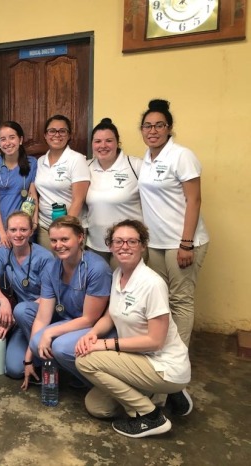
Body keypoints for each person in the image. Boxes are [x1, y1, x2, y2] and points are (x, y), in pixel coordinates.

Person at [75, 219, 192, 439]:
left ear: (143, 245)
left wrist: (106, 344)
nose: (124, 246)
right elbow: (111, 315)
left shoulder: (152, 284)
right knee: (98, 407)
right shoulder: (118, 274)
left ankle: (150, 415)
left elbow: (155, 341)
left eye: (131, 241)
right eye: (118, 241)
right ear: (110, 246)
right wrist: (92, 334)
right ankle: (165, 393)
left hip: (163, 364)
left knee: (85, 360)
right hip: (139, 360)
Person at [137, 99, 209, 347]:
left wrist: (186, 243)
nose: (153, 131)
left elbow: (195, 200)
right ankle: (164, 349)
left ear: (169, 128)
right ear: (142, 130)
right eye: (148, 126)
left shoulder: (181, 156)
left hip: (181, 242)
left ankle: (178, 359)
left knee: (180, 300)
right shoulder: (146, 158)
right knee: (161, 299)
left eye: (159, 125)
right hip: (156, 243)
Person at [22, 216, 111, 391]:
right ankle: (76, 373)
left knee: (60, 347)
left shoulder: (96, 268)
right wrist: (28, 358)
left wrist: (50, 333)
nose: (58, 245)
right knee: (36, 341)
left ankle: (96, 385)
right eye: (54, 240)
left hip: (96, 328)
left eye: (64, 239)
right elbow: (42, 317)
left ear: (79, 238)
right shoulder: (52, 268)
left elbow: (89, 319)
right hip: (70, 322)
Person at [0, 211, 54, 379]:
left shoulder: (45, 257)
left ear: (31, 231)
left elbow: (48, 297)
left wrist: (14, 318)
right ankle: (35, 358)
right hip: (22, 316)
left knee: (22, 310)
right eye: (13, 230)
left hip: (44, 313)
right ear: (7, 232)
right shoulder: (3, 252)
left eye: (23, 229)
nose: (18, 234)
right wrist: (3, 301)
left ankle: (49, 360)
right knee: (14, 370)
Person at [86, 118, 143, 266]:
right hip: (95, 246)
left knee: (125, 288)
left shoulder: (135, 166)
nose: (103, 146)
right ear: (92, 144)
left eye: (109, 141)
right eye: (97, 141)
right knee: (100, 289)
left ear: (117, 142)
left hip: (127, 246)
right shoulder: (86, 167)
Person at [34, 115, 90, 250]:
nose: (57, 135)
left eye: (62, 131)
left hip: (70, 228)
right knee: (49, 268)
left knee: (70, 269)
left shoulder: (77, 159)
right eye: (52, 131)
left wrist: (64, 229)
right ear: (45, 135)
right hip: (45, 227)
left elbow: (78, 200)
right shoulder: (40, 161)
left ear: (69, 135)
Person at [0, 121, 38, 256]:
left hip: (22, 231)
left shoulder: (32, 163)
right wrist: (3, 234)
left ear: (20, 139)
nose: (7, 143)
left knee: (24, 271)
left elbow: (33, 196)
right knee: (0, 273)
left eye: (12, 137)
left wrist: (34, 224)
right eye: (3, 139)